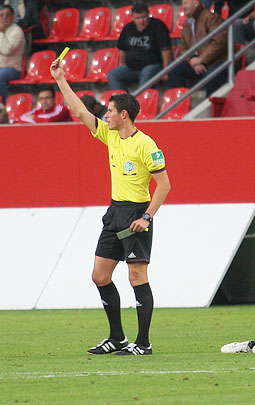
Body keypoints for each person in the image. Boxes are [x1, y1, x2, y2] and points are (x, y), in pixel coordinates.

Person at [50, 58, 171, 356]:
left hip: (136, 214)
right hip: (115, 212)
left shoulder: (146, 145)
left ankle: (143, 343)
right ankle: (117, 338)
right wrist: (60, 79)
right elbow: (80, 111)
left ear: (123, 114)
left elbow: (164, 185)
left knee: (136, 277)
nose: (106, 115)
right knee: (100, 276)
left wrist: (147, 217)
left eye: (110, 111)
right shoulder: (111, 135)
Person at [107, 3, 173, 92]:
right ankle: (124, 99)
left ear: (148, 15)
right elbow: (122, 49)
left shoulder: (158, 26)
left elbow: (166, 50)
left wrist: (166, 70)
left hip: (154, 65)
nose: (141, 21)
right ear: (133, 18)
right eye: (138, 18)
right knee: (113, 75)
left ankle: (143, 100)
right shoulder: (128, 28)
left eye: (144, 17)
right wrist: (122, 65)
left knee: (146, 72)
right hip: (131, 68)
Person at [168, 0, 227, 96]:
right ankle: (180, 102)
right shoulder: (186, 25)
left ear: (196, 3)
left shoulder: (212, 18)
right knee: (173, 68)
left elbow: (219, 42)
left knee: (211, 76)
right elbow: (184, 48)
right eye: (182, 4)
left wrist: (201, 59)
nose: (183, 7)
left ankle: (210, 104)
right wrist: (192, 60)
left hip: (217, 61)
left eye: (186, 3)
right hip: (197, 62)